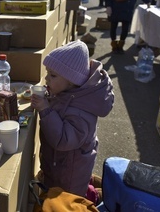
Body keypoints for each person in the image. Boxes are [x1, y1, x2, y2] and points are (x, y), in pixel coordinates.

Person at [31, 40, 114, 204]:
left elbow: (63, 140)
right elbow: (61, 108)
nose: (46, 78)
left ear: (71, 80)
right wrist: (48, 99)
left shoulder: (82, 112)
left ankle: (90, 197)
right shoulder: (68, 92)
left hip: (70, 173)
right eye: (47, 73)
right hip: (59, 164)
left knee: (67, 200)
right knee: (55, 191)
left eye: (52, 75)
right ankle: (88, 191)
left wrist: (45, 109)